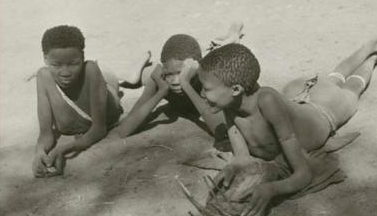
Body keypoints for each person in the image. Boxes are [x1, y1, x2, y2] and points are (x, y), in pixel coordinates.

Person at [184, 36, 377, 216]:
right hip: (298, 99)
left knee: (351, 88)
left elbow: (303, 175)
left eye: (207, 89)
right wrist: (233, 166)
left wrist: (272, 189)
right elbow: (242, 157)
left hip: (325, 111)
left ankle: (370, 56)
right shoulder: (230, 105)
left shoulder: (267, 101)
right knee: (332, 80)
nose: (202, 93)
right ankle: (368, 51)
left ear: (236, 90)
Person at [115, 22, 244, 143]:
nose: (176, 81)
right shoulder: (159, 77)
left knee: (224, 50)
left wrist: (186, 84)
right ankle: (142, 62)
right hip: (153, 70)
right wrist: (161, 91)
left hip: (203, 62)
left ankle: (234, 31)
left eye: (180, 73)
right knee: (139, 77)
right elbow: (123, 131)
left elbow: (221, 132)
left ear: (197, 68)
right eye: (170, 74)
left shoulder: (207, 77)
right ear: (163, 69)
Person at [32, 25, 124, 178]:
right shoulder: (43, 77)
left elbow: (99, 129)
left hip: (106, 86)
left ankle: (128, 77)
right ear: (45, 59)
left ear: (82, 57)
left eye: (73, 63)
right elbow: (45, 134)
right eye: (56, 65)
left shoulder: (90, 70)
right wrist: (39, 153)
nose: (66, 72)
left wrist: (63, 149)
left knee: (110, 77)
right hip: (89, 84)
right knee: (43, 73)